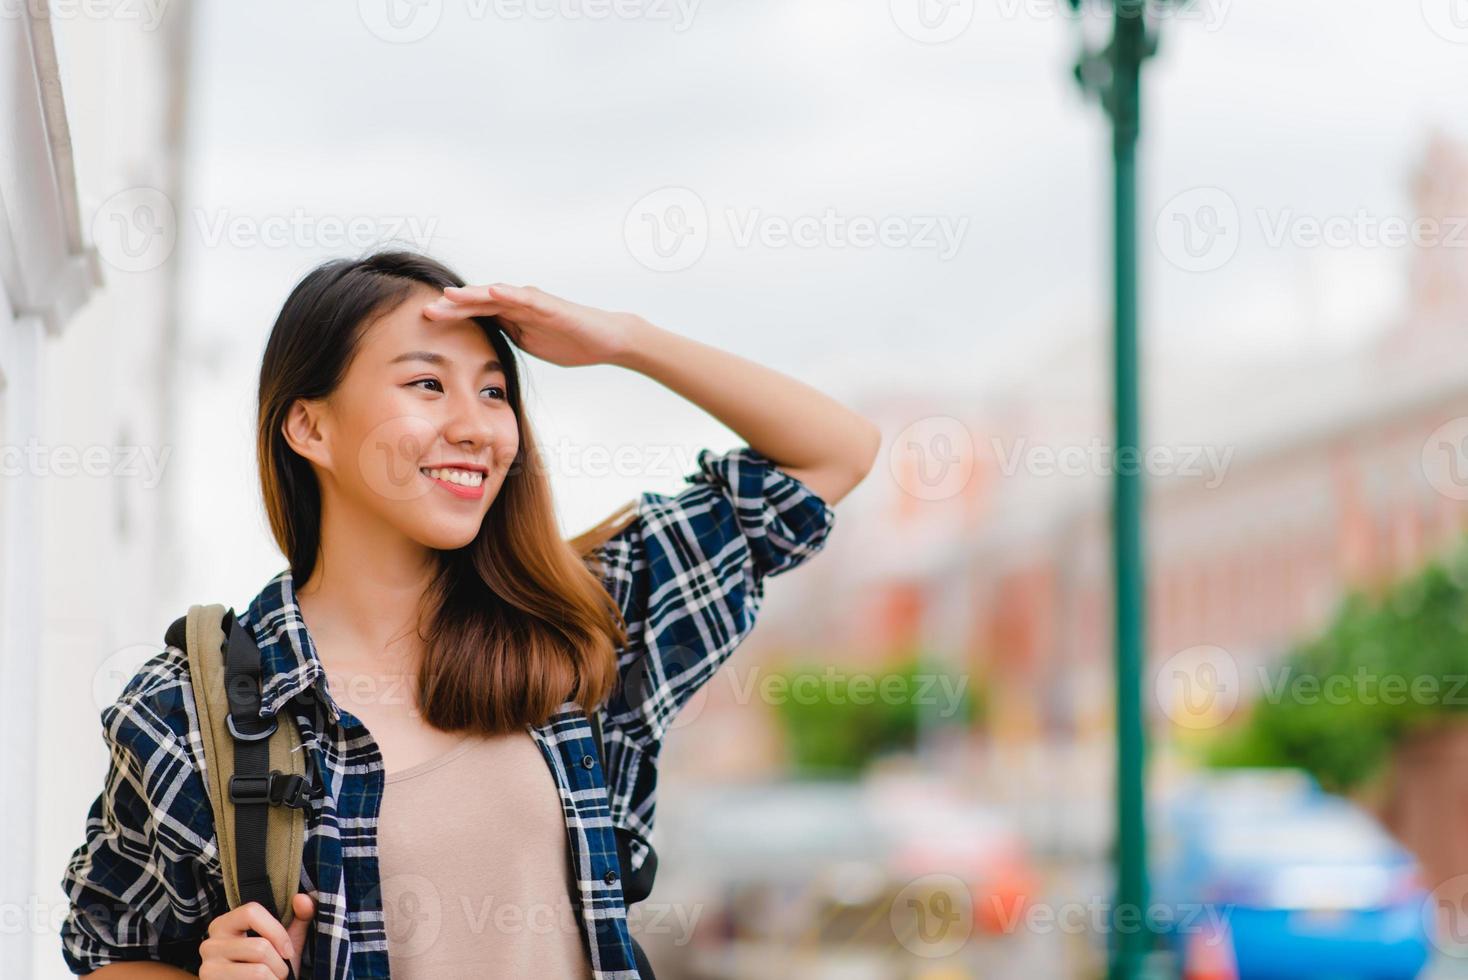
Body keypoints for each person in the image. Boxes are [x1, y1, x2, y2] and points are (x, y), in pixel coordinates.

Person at [58, 250, 880, 978]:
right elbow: (109, 946)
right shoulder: (190, 710)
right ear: (309, 425)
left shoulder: (580, 627)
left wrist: (622, 340)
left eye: (494, 392)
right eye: (426, 384)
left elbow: (832, 452)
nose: (475, 426)